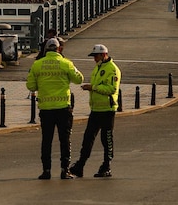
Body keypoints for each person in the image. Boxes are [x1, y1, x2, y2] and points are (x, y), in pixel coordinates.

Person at [26, 37, 83, 180]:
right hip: (63, 108)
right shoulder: (66, 63)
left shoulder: (37, 65)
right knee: (65, 140)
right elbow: (79, 79)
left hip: (46, 109)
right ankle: (65, 170)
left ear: (46, 49)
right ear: (59, 49)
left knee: (47, 141)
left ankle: (46, 171)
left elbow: (31, 86)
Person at [70, 44, 121, 178]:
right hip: (96, 109)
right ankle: (80, 165)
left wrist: (93, 88)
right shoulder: (98, 68)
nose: (94, 59)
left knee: (107, 139)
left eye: (96, 56)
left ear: (104, 55)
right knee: (88, 138)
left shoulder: (112, 69)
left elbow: (111, 89)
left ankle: (106, 166)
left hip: (107, 109)